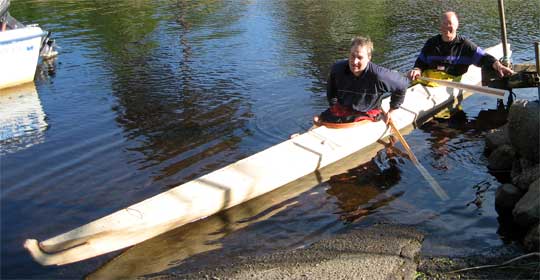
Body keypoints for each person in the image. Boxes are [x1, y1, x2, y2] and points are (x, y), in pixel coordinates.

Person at [318, 36, 409, 125]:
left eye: (360, 57)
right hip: (344, 109)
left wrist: (392, 110)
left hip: (368, 112)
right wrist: (334, 106)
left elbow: (402, 84)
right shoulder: (337, 69)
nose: (354, 62)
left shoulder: (379, 75)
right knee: (317, 119)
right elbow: (331, 91)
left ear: (369, 58)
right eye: (352, 56)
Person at [407, 11, 513, 81]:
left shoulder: (465, 45)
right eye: (444, 23)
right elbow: (420, 62)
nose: (447, 27)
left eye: (450, 24)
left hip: (452, 83)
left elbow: (484, 58)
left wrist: (498, 65)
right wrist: (417, 69)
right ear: (440, 26)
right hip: (429, 83)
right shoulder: (431, 43)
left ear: (457, 25)